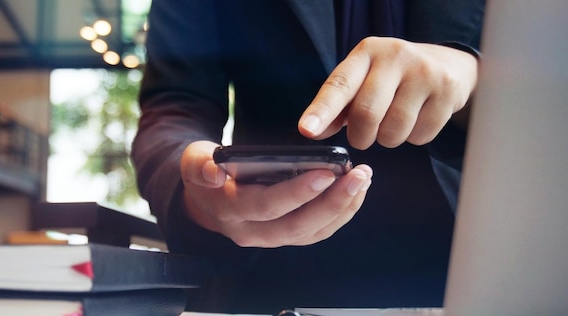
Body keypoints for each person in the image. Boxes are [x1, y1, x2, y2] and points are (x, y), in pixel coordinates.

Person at [131, 0, 485, 314]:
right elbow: (175, 108)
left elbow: (539, 87)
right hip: (275, 279)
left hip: (483, 272)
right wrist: (192, 190)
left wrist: (479, 77)